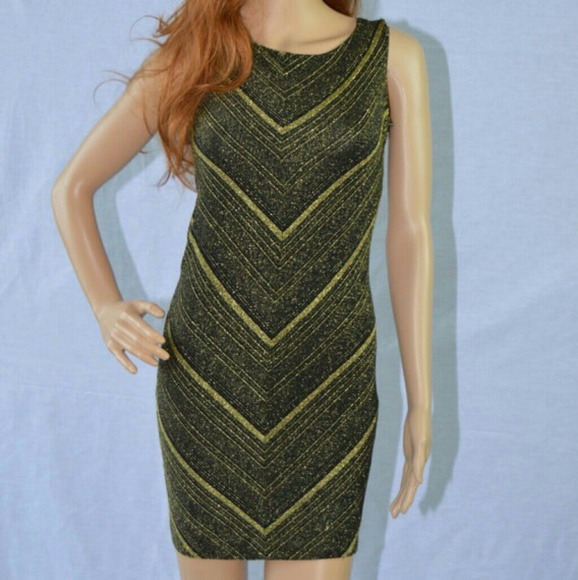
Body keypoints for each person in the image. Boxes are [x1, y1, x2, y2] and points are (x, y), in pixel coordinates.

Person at [51, 0, 433, 578]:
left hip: (330, 383)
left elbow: (412, 232)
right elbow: (72, 187)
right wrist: (105, 306)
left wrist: (421, 399)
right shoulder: (202, 52)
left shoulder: (391, 58)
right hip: (209, 378)